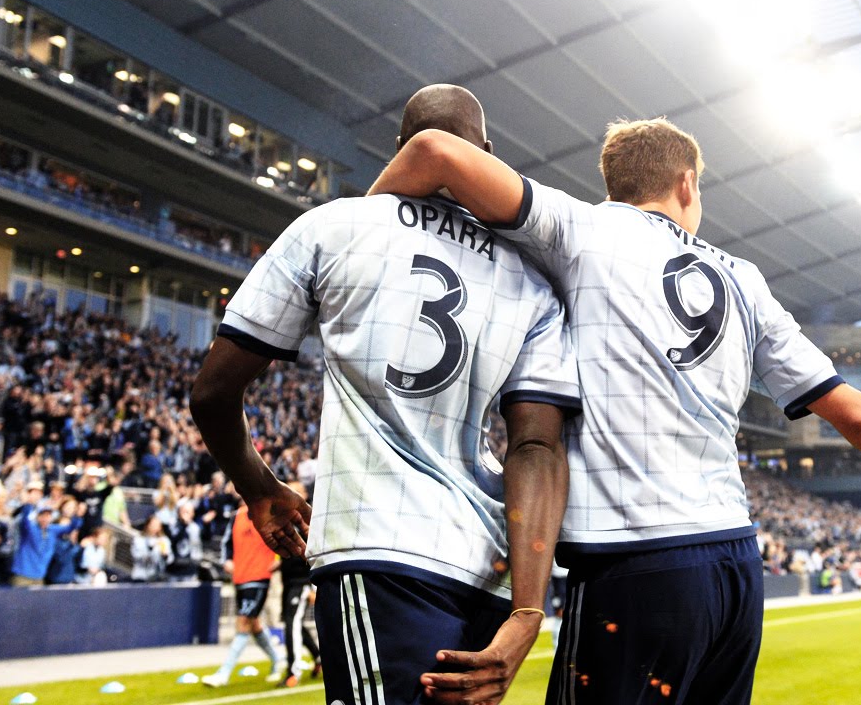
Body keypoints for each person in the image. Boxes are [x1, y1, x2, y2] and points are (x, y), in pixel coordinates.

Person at [369, 118, 861, 704]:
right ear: (687, 184)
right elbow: (854, 413)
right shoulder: (742, 279)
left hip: (634, 565)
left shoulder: (581, 229)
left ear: (615, 182)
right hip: (733, 566)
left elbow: (435, 150)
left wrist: (360, 239)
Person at [189, 84, 579, 705]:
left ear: (399, 148)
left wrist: (260, 488)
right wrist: (529, 609)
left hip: (380, 549)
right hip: (489, 567)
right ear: (486, 154)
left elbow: (213, 392)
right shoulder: (532, 279)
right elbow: (537, 446)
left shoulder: (334, 226)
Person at [201, 501, 285, 687]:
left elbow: (285, 537)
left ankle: (223, 674)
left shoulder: (270, 513)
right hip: (240, 576)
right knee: (254, 624)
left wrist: (281, 561)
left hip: (260, 576)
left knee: (244, 622)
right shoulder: (237, 516)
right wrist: (227, 560)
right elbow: (226, 543)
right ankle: (277, 659)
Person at [276, 483, 321, 689]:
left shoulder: (309, 518)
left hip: (302, 582)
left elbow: (316, 553)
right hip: (288, 581)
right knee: (292, 623)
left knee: (292, 624)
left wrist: (313, 586)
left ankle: (293, 671)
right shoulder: (285, 518)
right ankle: (318, 657)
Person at [11, 485, 82, 586]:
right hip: (23, 576)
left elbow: (71, 527)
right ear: (37, 516)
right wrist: (28, 504)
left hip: (39, 577)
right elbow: (25, 520)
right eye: (42, 515)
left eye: (48, 515)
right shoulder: (30, 528)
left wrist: (76, 515)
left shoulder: (53, 530)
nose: (45, 518)